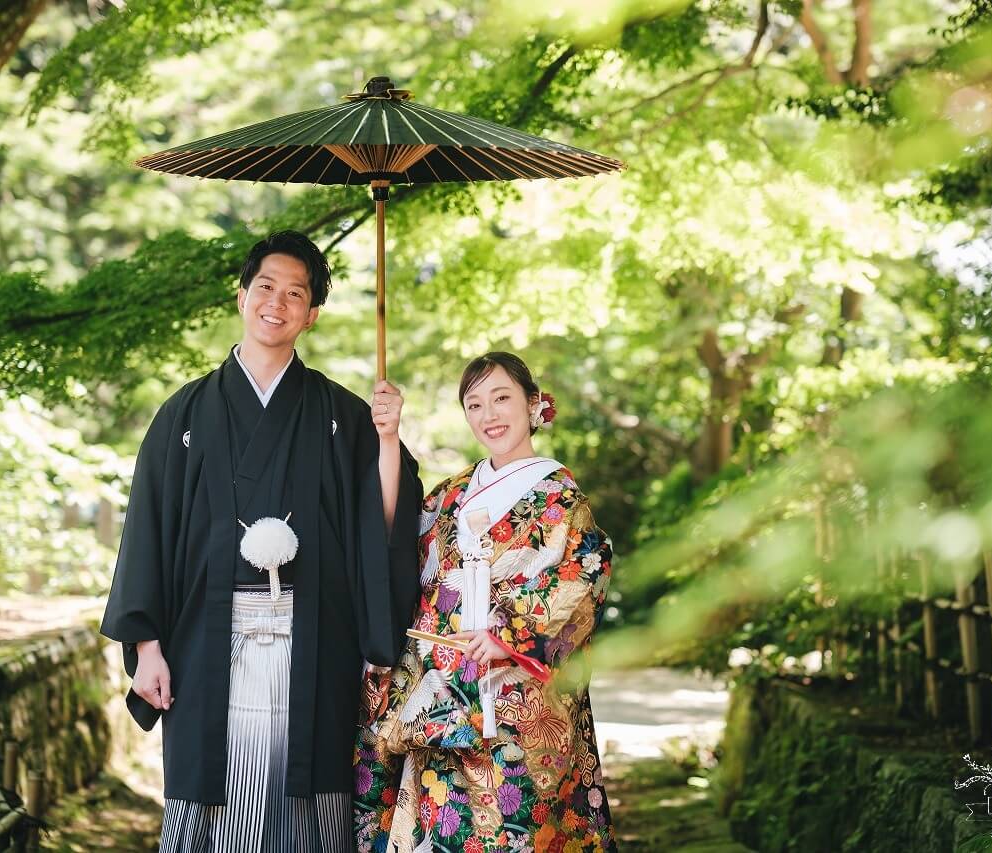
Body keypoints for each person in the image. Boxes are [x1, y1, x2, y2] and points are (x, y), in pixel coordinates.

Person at [100, 230, 422, 852]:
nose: (277, 302)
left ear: (313, 314)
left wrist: (386, 439)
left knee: (307, 802)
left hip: (314, 643)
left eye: (295, 293)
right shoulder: (185, 414)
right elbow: (148, 530)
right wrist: (147, 646)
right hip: (203, 641)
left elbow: (384, 519)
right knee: (211, 794)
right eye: (266, 287)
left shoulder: (345, 413)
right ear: (242, 295)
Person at [353, 351, 618, 853]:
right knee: (445, 828)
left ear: (534, 403)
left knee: (516, 828)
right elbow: (393, 545)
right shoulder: (451, 494)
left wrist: (508, 635)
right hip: (442, 696)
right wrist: (388, 437)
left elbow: (587, 570)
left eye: (501, 399)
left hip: (517, 696)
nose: (489, 415)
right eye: (474, 405)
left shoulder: (558, 496)